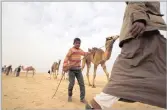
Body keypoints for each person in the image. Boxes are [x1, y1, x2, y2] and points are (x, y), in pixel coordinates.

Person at [86, 1, 166, 109]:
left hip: (151, 29)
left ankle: (100, 102)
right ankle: (98, 103)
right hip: (141, 30)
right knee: (126, 70)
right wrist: (139, 18)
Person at [63, 37, 90, 103]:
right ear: (74, 43)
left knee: (82, 84)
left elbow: (84, 53)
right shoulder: (71, 50)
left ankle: (82, 98)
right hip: (71, 69)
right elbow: (67, 57)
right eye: (76, 43)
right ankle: (69, 96)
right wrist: (65, 65)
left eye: (79, 43)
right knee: (71, 83)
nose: (78, 44)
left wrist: (88, 53)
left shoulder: (80, 50)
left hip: (78, 70)